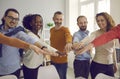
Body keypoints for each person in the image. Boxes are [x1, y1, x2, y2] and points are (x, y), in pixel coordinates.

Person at [0, 8, 50, 78]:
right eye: (11, 17)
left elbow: (29, 39)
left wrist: (42, 47)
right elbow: (9, 41)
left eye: (16, 19)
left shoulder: (18, 32)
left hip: (13, 69)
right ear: (4, 17)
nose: (13, 21)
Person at [73, 12, 118, 79]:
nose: (99, 23)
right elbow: (88, 39)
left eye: (102, 20)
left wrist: (115, 63)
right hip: (97, 65)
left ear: (107, 20)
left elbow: (113, 49)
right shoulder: (95, 33)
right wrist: (79, 44)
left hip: (110, 66)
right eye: (98, 21)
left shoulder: (113, 33)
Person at [22, 14, 59, 79]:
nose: (39, 24)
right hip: (30, 66)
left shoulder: (38, 35)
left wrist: (56, 51)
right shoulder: (29, 35)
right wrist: (54, 52)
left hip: (38, 64)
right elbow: (42, 46)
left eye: (40, 22)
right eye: (36, 22)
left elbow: (45, 45)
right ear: (30, 23)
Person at [50, 11, 72, 79]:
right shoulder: (51, 30)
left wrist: (69, 42)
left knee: (62, 77)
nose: (59, 21)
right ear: (53, 19)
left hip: (62, 61)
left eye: (60, 19)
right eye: (57, 19)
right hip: (53, 59)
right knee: (54, 77)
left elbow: (68, 36)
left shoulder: (65, 29)